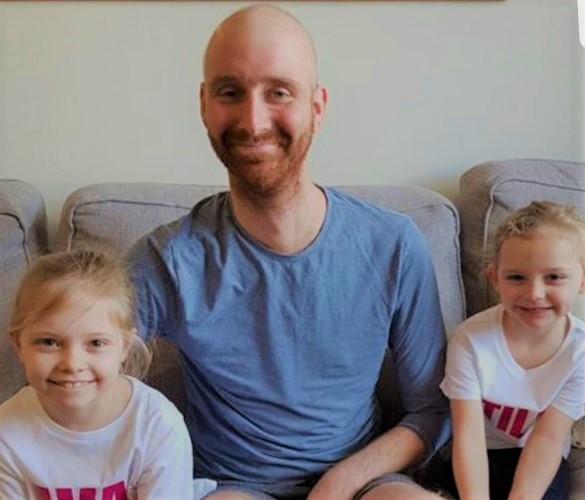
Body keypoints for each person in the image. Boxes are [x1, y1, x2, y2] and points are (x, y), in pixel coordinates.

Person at [128, 5, 449, 499]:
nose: (253, 121)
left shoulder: (393, 245)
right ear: (204, 105)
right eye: (230, 92)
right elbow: (83, 378)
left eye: (279, 92)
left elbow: (432, 410)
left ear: (317, 107)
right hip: (229, 486)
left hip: (365, 481)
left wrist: (340, 482)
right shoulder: (168, 259)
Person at [0, 248, 194, 499]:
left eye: (96, 343)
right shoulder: (7, 432)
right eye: (49, 342)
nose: (71, 363)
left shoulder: (156, 425)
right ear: (18, 345)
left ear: (124, 347)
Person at [441, 201, 585, 500]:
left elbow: (548, 438)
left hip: (539, 454)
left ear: (582, 281)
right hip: (480, 451)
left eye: (554, 277)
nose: (534, 294)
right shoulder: (470, 340)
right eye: (517, 277)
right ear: (495, 279)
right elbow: (468, 437)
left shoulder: (580, 352)